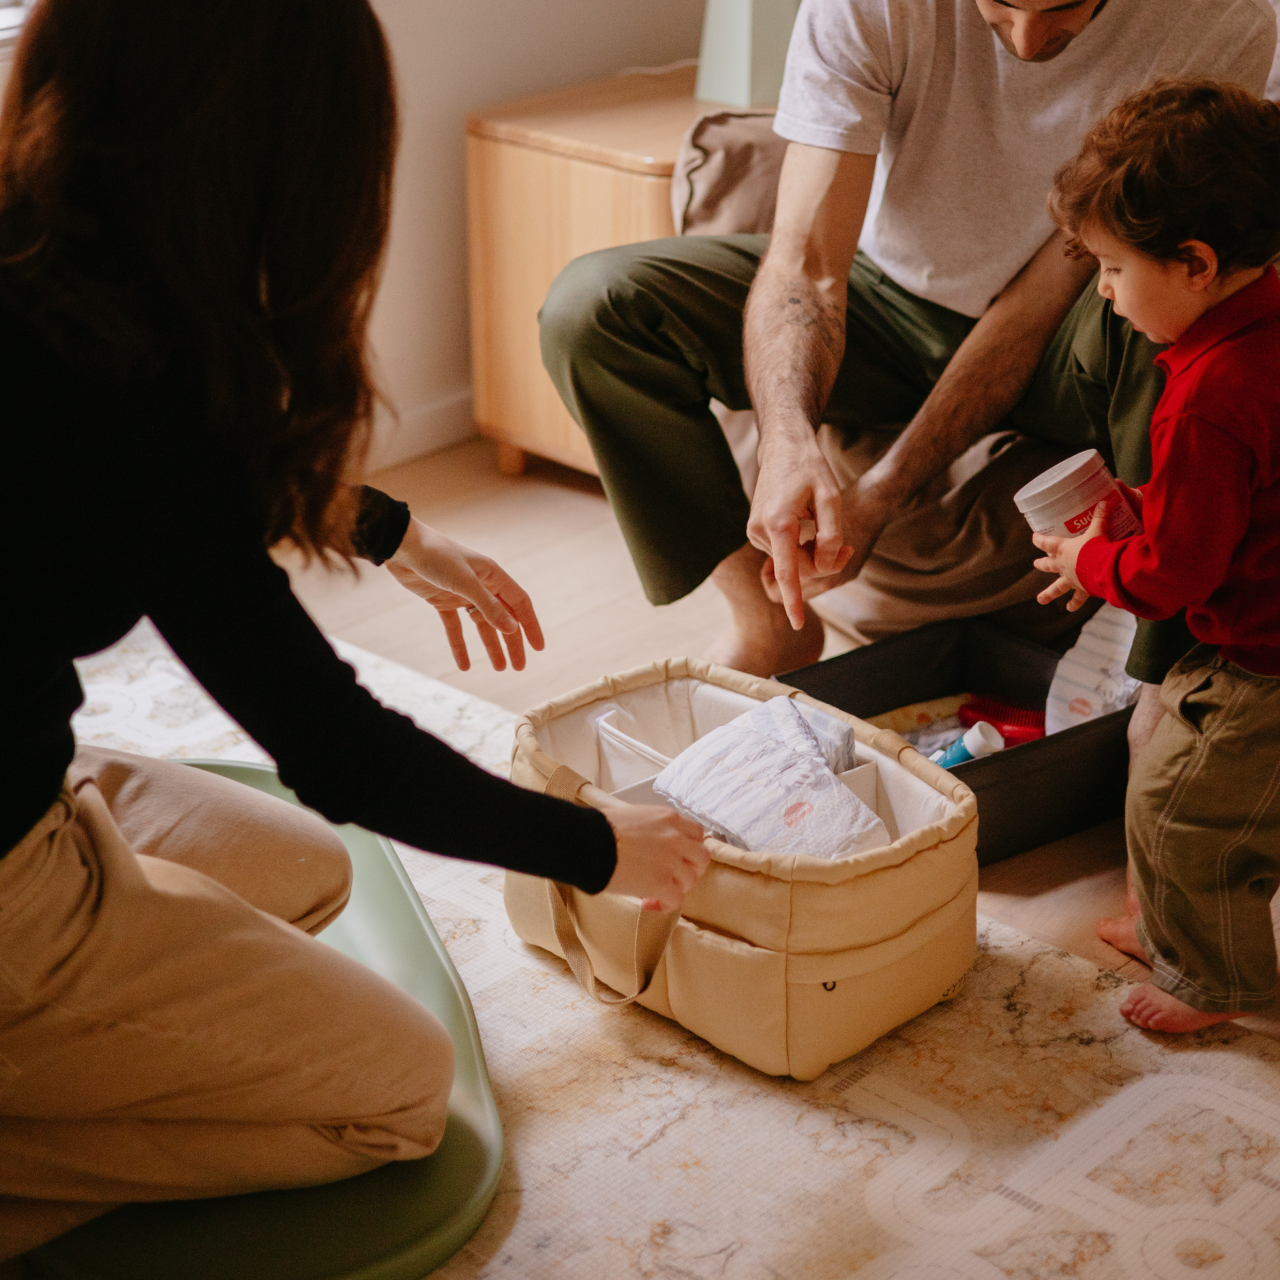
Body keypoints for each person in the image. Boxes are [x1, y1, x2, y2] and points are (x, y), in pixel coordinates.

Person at [0, 0, 709, 1257]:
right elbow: (340, 748)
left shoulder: (48, 258)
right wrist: (597, 844)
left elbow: (138, 487)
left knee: (308, 876)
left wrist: (390, 529)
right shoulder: (127, 391)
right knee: (392, 1091)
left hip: (39, 792)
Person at [539, 0, 1276, 766]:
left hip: (1062, 321)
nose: (1028, 42)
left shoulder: (1219, 19)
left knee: (1181, 322)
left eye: (1064, 8)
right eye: (1000, 6)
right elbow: (807, 260)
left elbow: (1034, 307)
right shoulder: (869, 5)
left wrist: (880, 493)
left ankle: (1162, 672)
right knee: (593, 310)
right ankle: (769, 623)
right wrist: (787, 441)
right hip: (881, 296)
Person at [1032, 80, 1280, 1032]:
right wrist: (1137, 505)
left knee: (1182, 815)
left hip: (1258, 658)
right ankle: (1179, 931)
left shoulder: (1208, 395)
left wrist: (1088, 564)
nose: (1101, 289)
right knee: (1183, 771)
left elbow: (1175, 577)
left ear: (1194, 264)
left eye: (1109, 268)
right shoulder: (1258, 334)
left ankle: (1217, 985)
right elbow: (1236, 503)